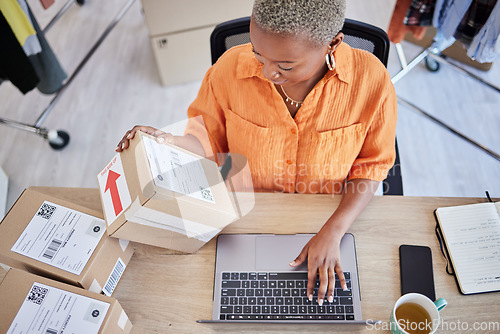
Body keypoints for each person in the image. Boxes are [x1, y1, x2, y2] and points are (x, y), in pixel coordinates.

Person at [116, 0, 397, 307]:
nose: (267, 72)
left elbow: (371, 166)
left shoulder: (372, 82)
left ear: (333, 43)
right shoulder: (228, 70)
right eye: (257, 53)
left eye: (285, 66)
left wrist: (334, 231)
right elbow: (207, 142)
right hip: (242, 215)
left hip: (328, 217)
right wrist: (166, 139)